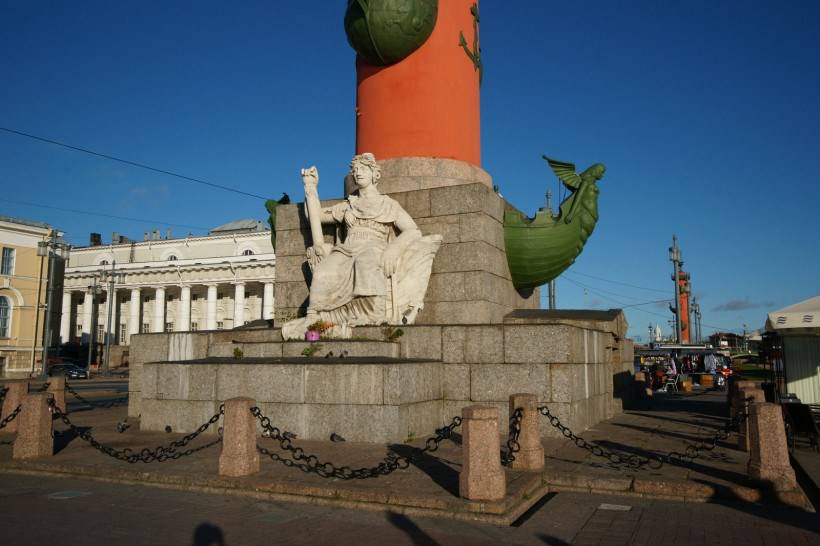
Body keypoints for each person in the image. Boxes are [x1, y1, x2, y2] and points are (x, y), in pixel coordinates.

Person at [301, 152, 422, 326]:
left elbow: (412, 231)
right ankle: (315, 318)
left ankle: (371, 315)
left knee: (365, 263)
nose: (358, 173)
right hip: (347, 249)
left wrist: (394, 249)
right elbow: (315, 215)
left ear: (375, 174)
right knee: (323, 271)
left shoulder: (388, 204)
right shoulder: (349, 205)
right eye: (355, 169)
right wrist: (310, 187)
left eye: (363, 169)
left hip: (374, 247)